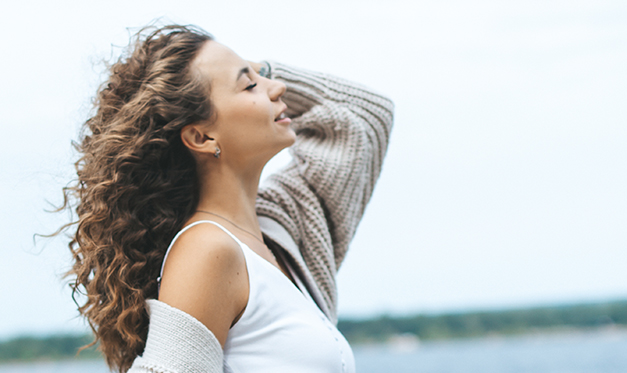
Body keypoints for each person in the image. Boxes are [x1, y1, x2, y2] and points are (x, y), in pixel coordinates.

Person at [59, 24, 393, 373]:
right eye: (250, 85)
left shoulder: (281, 227)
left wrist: (257, 70)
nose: (278, 87)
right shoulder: (206, 251)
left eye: (263, 77)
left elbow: (366, 117)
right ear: (201, 136)